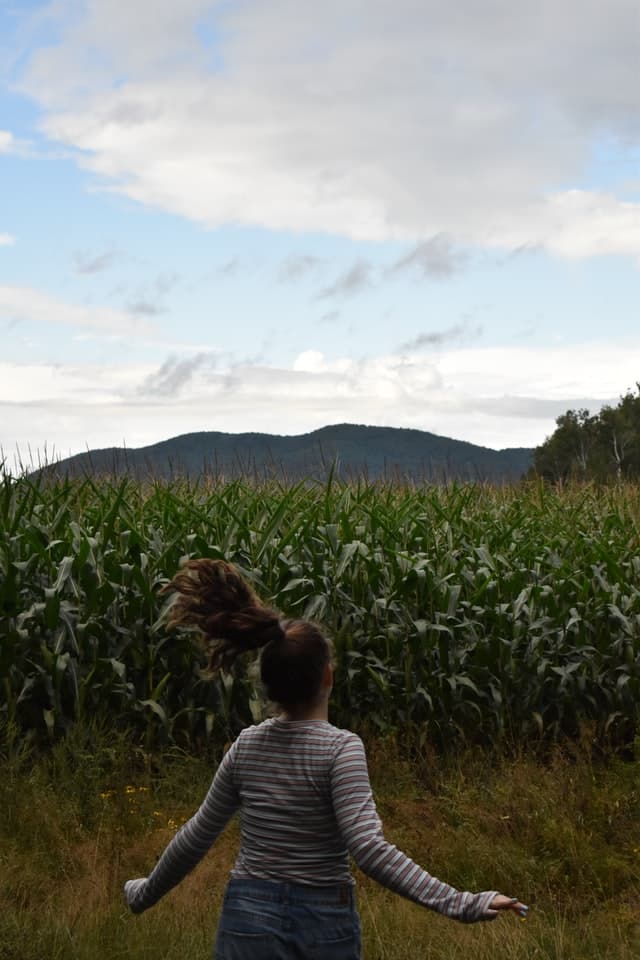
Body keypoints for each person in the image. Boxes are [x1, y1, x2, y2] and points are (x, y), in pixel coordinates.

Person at [124, 558, 528, 959]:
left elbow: (196, 836)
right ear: (328, 677)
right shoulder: (341, 749)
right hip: (322, 921)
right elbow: (369, 849)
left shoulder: (246, 746)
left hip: (247, 917)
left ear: (268, 686)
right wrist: (462, 902)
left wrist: (145, 892)